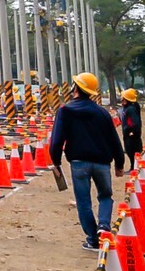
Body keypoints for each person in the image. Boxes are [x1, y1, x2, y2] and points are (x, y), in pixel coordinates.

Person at [49, 72, 125, 252]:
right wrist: (120, 164)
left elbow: (57, 140)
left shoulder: (65, 111)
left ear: (75, 88)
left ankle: (93, 239)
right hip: (102, 163)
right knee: (105, 196)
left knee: (83, 202)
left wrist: (56, 162)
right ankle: (104, 227)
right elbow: (114, 139)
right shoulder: (102, 113)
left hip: (78, 163)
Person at [119, 89, 143, 162]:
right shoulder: (128, 108)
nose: (121, 99)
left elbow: (135, 122)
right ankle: (133, 166)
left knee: (132, 150)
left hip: (131, 134)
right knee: (129, 150)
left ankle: (134, 166)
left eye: (122, 98)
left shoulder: (131, 109)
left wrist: (132, 131)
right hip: (128, 133)